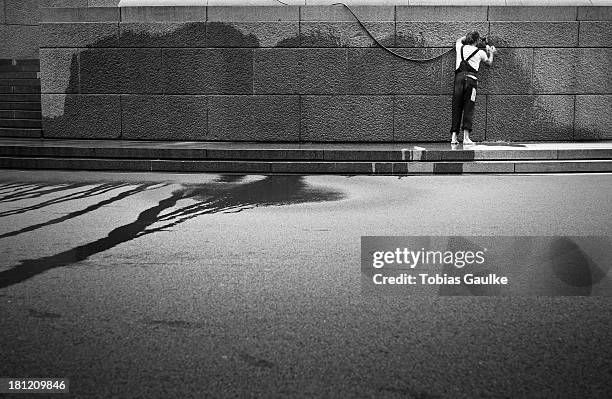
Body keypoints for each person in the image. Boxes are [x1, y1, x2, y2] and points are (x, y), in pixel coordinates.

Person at [450, 31, 497, 145]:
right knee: (468, 107)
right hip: (471, 81)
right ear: (477, 41)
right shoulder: (480, 52)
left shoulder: (459, 47)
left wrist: (467, 37)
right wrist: (491, 52)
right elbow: (489, 63)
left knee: (456, 107)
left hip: (458, 80)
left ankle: (454, 137)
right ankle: (466, 138)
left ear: (467, 39)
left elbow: (459, 40)